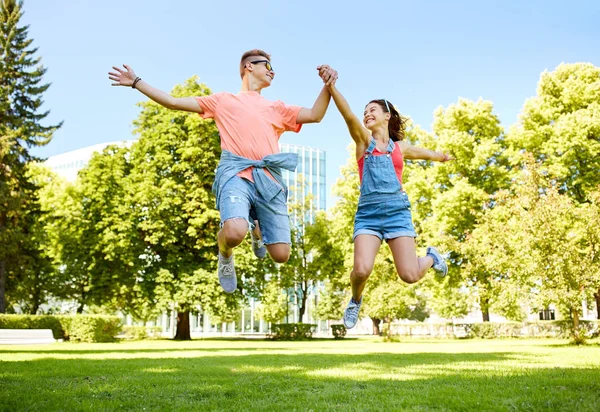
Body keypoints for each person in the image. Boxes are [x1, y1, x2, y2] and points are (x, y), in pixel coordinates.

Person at [109, 50, 338, 294]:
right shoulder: (223, 101)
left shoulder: (276, 107)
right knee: (234, 231)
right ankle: (225, 253)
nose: (273, 71)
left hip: (268, 179)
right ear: (249, 66)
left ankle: (258, 229)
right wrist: (136, 82)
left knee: (281, 255)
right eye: (267, 65)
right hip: (235, 174)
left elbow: (315, 115)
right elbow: (173, 102)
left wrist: (328, 85)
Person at [318, 70, 452, 329]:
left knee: (410, 275)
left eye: (373, 110)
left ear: (387, 115)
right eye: (365, 111)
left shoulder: (399, 148)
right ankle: (356, 300)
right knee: (361, 271)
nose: (367, 114)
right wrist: (331, 87)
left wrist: (441, 156)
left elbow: (422, 153)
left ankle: (432, 258)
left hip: (397, 213)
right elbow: (347, 114)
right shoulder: (363, 140)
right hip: (368, 214)